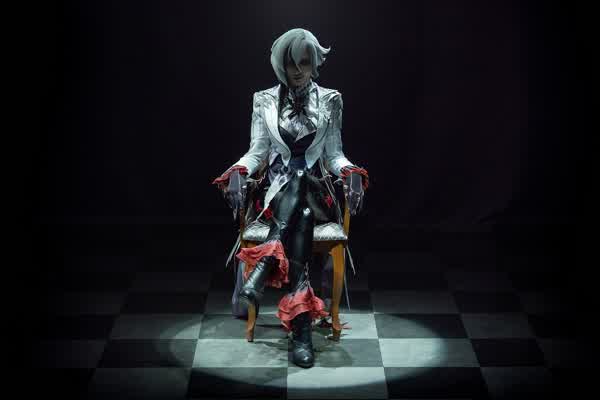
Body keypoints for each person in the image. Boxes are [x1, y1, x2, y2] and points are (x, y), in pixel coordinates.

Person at [212, 28, 369, 368]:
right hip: (276, 199)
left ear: (314, 64)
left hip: (318, 194)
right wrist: (238, 170)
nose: (298, 70)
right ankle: (302, 332)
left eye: (304, 63)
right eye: (291, 63)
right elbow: (257, 152)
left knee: (301, 179)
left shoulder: (330, 100)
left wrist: (351, 172)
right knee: (302, 213)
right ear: (280, 65)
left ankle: (263, 267)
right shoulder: (264, 100)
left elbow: (334, 155)